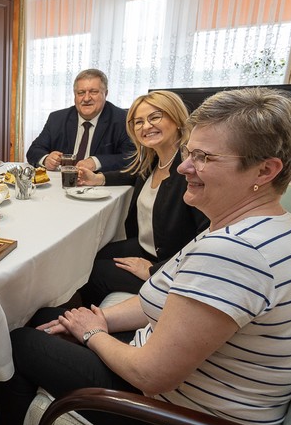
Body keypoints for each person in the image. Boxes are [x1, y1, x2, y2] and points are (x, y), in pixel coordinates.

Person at [0, 88, 291, 425]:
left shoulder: (236, 252)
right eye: (190, 153)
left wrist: (91, 334)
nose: (184, 168)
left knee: (20, 341)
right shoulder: (261, 228)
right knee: (46, 316)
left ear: (265, 171)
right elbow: (157, 302)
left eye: (204, 158)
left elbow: (150, 375)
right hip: (197, 397)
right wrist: (102, 317)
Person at [76, 91, 208, 306]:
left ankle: (105, 320)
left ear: (176, 119)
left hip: (171, 265)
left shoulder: (191, 172)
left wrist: (152, 270)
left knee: (93, 273)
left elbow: (206, 237)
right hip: (148, 246)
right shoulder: (156, 160)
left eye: (155, 117)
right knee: (89, 253)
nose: (145, 126)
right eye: (138, 122)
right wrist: (98, 178)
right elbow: (131, 174)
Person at [25, 69, 134, 172]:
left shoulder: (122, 119)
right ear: (75, 95)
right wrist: (46, 159)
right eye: (81, 93)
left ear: (105, 93)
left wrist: (96, 162)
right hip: (62, 183)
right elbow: (34, 150)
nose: (86, 98)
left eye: (93, 92)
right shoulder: (57, 119)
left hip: (100, 187)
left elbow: (131, 158)